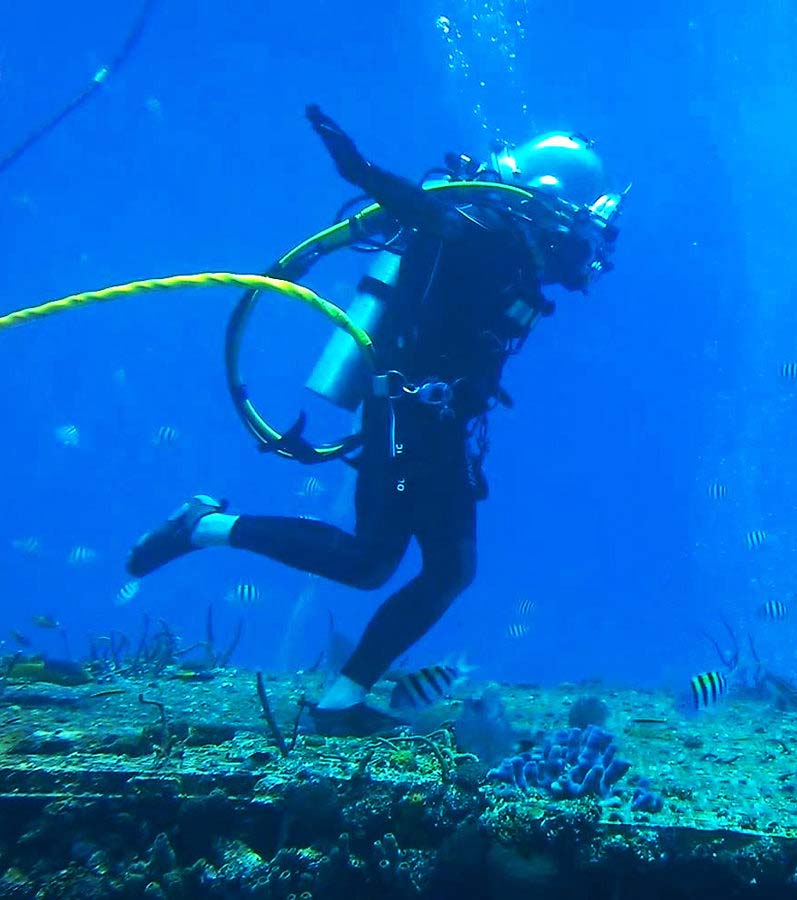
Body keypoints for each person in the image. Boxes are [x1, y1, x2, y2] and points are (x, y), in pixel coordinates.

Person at [127, 105, 622, 735]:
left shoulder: (519, 254)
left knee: (450, 570)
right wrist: (360, 170)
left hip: (442, 425)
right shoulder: (481, 227)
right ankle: (201, 525)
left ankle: (341, 700)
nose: (587, 246)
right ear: (555, 203)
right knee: (369, 562)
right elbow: (426, 211)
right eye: (587, 223)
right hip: (407, 412)